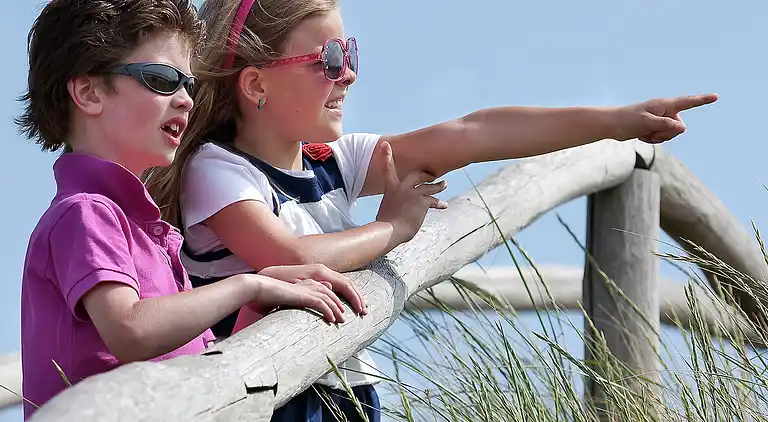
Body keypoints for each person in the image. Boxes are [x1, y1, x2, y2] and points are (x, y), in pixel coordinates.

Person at [143, 0, 718, 420]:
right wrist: (393, 228)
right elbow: (293, 256)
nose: (350, 74)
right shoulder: (218, 171)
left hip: (344, 392)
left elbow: (473, 131)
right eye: (331, 58)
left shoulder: (332, 161)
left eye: (353, 54)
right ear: (256, 83)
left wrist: (616, 122)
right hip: (264, 403)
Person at [15, 1, 363, 418]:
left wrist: (260, 298)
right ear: (88, 93)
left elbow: (207, 373)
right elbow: (131, 329)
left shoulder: (143, 228)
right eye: (162, 79)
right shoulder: (85, 212)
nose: (185, 100)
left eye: (189, 85)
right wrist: (247, 287)